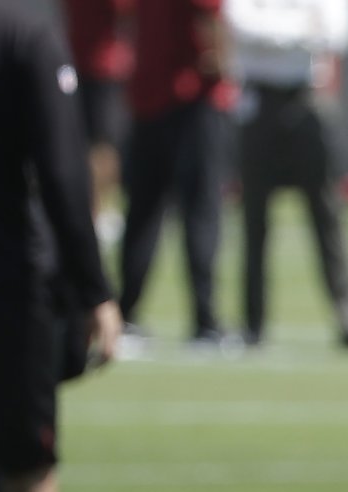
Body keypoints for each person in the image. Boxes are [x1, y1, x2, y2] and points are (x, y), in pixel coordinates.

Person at [0, 0, 122, 492]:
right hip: (7, 284)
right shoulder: (24, 31)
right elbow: (63, 168)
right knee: (28, 472)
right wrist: (95, 289)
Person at [226, 0, 348, 348]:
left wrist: (271, 30)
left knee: (328, 214)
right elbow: (241, 26)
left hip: (309, 99)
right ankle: (252, 324)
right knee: (254, 217)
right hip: (258, 100)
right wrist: (302, 28)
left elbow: (337, 34)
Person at [117, 0, 231, 347]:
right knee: (200, 211)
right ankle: (205, 319)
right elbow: (207, 16)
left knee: (143, 212)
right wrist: (223, 63)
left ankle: (126, 312)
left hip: (148, 94)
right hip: (189, 95)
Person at [58, 0, 133, 244]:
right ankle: (95, 212)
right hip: (104, 67)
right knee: (104, 146)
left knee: (87, 144)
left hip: (74, 61)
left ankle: (91, 211)